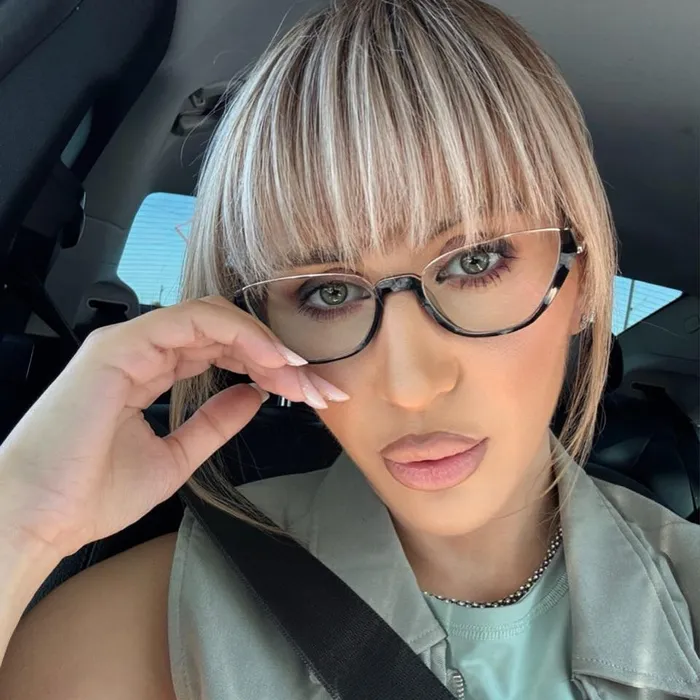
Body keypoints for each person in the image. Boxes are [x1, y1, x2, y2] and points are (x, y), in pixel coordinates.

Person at [0, 1, 698, 698]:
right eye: (329, 293)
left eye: (475, 261)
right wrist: (22, 518)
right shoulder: (136, 631)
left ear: (580, 283)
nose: (410, 386)